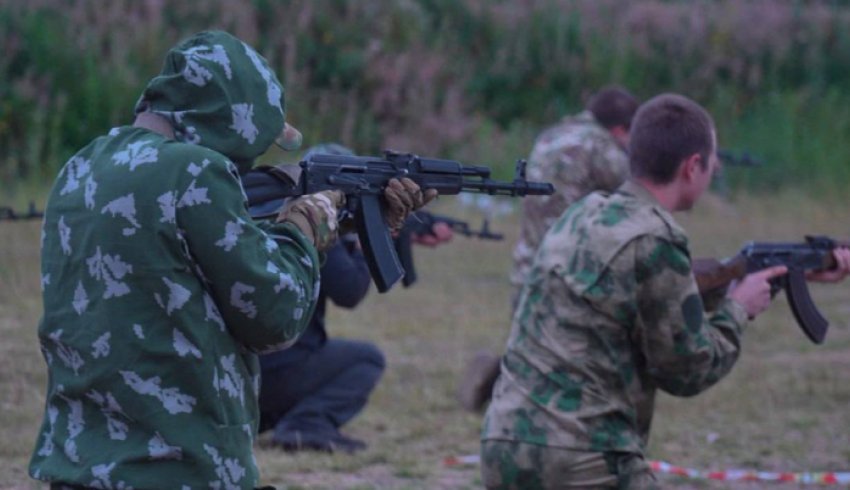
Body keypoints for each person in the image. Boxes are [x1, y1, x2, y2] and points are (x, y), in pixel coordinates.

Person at [28, 31, 432, 489]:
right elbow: (276, 314)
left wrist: (341, 221)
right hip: (176, 469)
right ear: (236, 121)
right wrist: (309, 219)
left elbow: (181, 260)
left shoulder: (81, 168)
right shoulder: (196, 171)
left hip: (81, 463)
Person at [479, 93, 850, 489]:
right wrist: (739, 310)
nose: (716, 167)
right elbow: (689, 370)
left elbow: (648, 289)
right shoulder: (657, 236)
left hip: (505, 442)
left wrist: (776, 277)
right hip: (583, 456)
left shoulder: (584, 214)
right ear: (693, 167)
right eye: (713, 159)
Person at [252, 143, 453, 454]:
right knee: (366, 359)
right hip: (277, 371)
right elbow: (348, 291)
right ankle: (306, 425)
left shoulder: (262, 210)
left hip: (240, 375)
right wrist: (364, 243)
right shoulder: (310, 220)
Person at [458, 86, 641, 412]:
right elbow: (637, 193)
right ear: (619, 130)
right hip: (572, 266)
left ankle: (498, 379)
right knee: (575, 354)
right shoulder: (601, 146)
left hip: (529, 261)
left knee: (537, 348)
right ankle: (507, 384)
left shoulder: (552, 134)